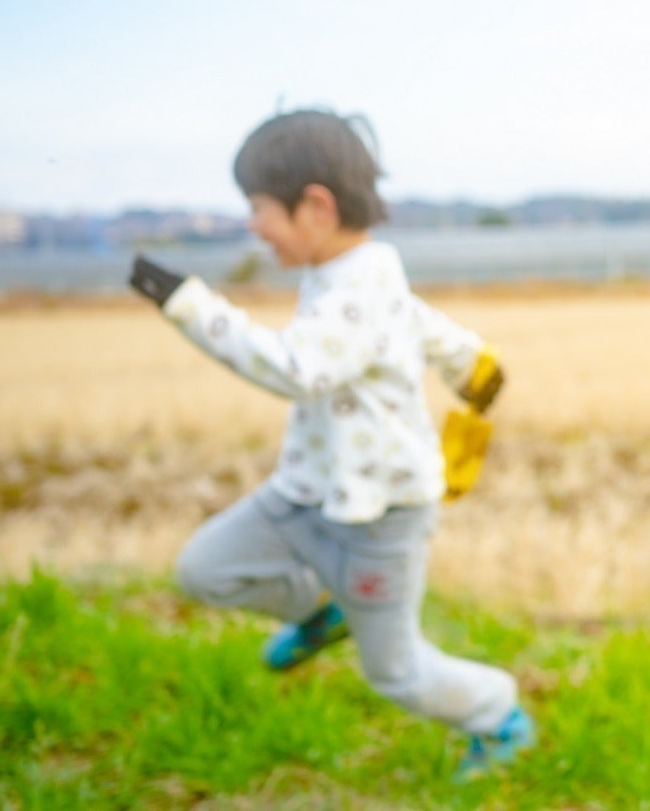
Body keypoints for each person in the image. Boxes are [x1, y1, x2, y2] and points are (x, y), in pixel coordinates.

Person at [128, 109, 535, 780]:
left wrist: (190, 305)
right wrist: (471, 363)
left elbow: (297, 368)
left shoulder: (358, 288)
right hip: (306, 491)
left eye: (259, 207)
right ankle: (324, 609)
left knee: (396, 671)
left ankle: (500, 716)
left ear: (316, 206)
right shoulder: (351, 273)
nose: (253, 224)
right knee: (204, 569)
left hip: (380, 518)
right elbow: (420, 324)